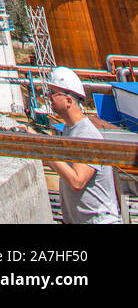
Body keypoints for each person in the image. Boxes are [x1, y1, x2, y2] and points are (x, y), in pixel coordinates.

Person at [47, 66, 122, 224]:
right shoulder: (69, 130)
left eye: (53, 93)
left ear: (68, 100)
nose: (49, 98)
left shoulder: (86, 134)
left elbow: (77, 181)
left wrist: (44, 152)